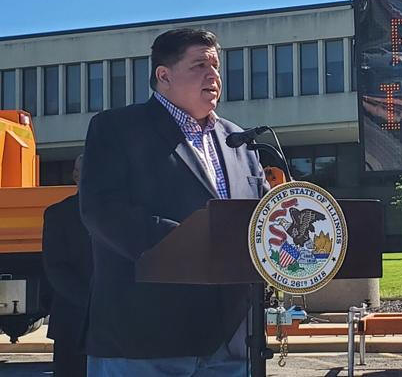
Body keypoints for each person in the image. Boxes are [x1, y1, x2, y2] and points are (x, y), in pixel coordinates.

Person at [79, 28, 269, 376]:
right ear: (164, 76)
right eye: (199, 65)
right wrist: (194, 244)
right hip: (145, 340)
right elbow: (102, 211)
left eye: (215, 66)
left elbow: (260, 218)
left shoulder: (239, 140)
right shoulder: (117, 128)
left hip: (232, 342)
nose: (213, 75)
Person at [42, 154, 92, 377]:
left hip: (115, 324)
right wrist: (92, 302)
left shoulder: (121, 212)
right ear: (75, 176)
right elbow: (56, 268)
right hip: (73, 321)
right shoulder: (58, 214)